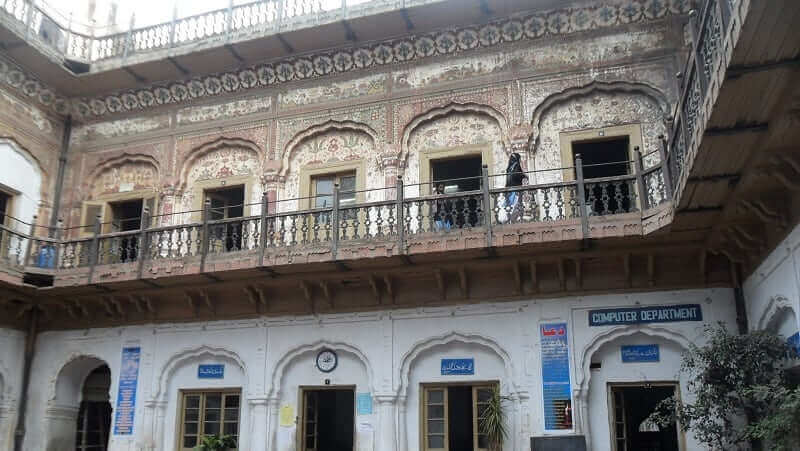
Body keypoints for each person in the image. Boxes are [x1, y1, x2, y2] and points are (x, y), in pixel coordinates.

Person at [504, 152, 527, 222]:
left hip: (509, 190)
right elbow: (516, 175)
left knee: (510, 206)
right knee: (516, 205)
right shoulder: (516, 165)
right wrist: (524, 176)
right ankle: (514, 220)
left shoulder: (509, 167)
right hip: (515, 189)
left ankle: (510, 220)